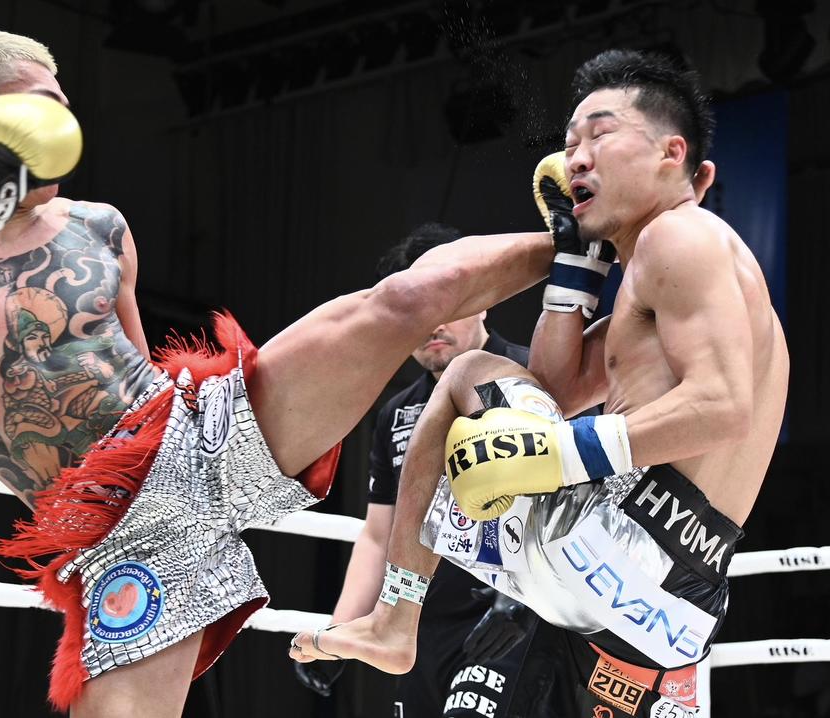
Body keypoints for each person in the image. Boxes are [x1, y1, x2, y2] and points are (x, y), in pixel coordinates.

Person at [0, 29, 560, 718]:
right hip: (122, 525)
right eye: (43, 106)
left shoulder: (97, 225)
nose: (62, 126)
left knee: (401, 300)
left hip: (199, 426)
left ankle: (583, 238)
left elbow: (132, 369)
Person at [290, 48, 788, 718]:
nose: (576, 158)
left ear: (672, 155)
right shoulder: (669, 283)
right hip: (678, 605)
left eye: (600, 135)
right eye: (570, 144)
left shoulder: (681, 237)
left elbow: (722, 408)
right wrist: (576, 267)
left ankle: (396, 618)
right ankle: (397, 624)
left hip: (616, 546)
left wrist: (559, 455)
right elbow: (551, 389)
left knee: (467, 370)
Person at [294, 222, 540, 717]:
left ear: (484, 299)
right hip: (421, 626)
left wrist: (527, 597)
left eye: (446, 304)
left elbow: (579, 497)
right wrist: (342, 629)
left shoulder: (535, 375)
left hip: (512, 623)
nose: (432, 324)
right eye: (418, 310)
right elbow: (377, 535)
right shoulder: (396, 413)